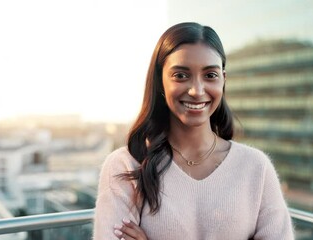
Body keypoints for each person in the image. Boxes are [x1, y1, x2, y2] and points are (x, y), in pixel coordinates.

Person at [93, 22, 294, 240]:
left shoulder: (256, 167)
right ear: (160, 82)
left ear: (223, 80)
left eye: (210, 75)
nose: (196, 91)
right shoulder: (125, 166)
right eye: (180, 75)